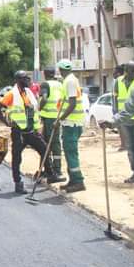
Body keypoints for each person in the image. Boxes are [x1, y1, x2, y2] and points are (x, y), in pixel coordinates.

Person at [0, 70, 56, 194]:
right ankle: (18, 183)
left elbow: (33, 111)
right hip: (19, 132)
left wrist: (38, 127)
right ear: (18, 80)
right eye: (25, 78)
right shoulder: (12, 94)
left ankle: (49, 174)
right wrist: (7, 123)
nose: (28, 80)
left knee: (44, 149)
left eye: (28, 78)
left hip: (31, 131)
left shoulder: (28, 93)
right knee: (17, 158)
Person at [56, 59, 86, 193]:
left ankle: (78, 181)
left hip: (72, 123)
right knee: (69, 152)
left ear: (61, 70)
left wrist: (60, 119)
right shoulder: (70, 80)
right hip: (72, 122)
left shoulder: (69, 81)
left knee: (71, 152)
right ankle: (73, 180)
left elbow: (72, 104)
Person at [108, 61, 134, 184]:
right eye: (125, 70)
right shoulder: (118, 82)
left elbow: (131, 107)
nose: (126, 73)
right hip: (124, 120)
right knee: (130, 148)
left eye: (129, 70)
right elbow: (115, 99)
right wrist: (115, 118)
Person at [39, 67, 66, 182]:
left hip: (49, 118)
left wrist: (39, 108)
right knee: (52, 143)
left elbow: (44, 99)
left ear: (45, 74)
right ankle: (50, 169)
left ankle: (55, 170)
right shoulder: (60, 84)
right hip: (58, 116)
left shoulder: (45, 84)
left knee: (50, 143)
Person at [112, 64, 128, 151]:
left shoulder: (118, 81)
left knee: (121, 128)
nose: (113, 73)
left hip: (121, 109)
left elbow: (115, 97)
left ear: (118, 73)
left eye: (114, 71)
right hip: (131, 109)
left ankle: (124, 145)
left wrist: (115, 111)